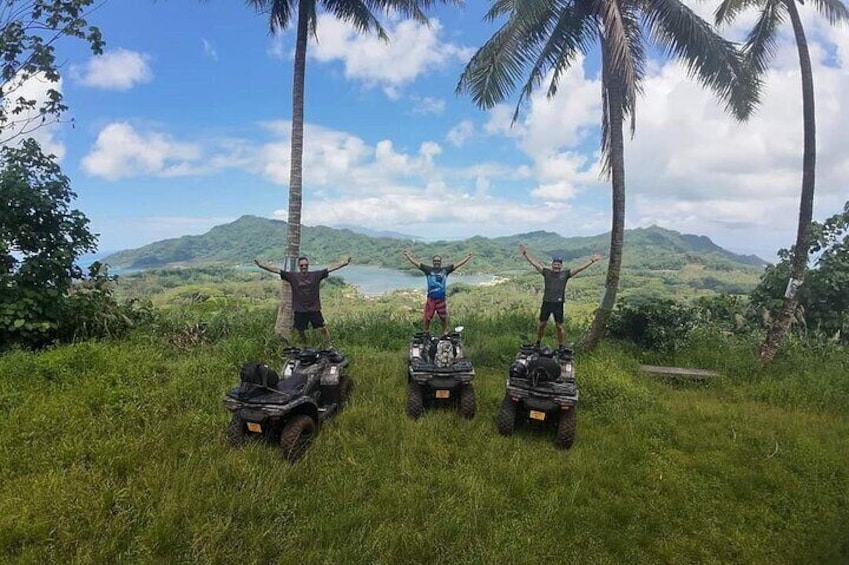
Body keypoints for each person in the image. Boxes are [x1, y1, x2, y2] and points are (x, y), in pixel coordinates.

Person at [254, 255, 352, 347]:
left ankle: (329, 345)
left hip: (314, 308)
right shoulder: (293, 276)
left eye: (306, 265)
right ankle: (306, 345)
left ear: (308, 265)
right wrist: (261, 265)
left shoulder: (315, 275)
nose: (304, 267)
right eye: (302, 265)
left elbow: (330, 268)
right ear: (299, 266)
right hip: (300, 309)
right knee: (300, 330)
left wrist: (344, 263)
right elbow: (276, 270)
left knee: (322, 328)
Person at [519, 244, 602, 349]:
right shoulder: (546, 273)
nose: (557, 266)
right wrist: (525, 254)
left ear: (561, 266)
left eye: (559, 264)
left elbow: (579, 268)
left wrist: (592, 260)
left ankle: (561, 346)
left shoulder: (565, 274)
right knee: (541, 325)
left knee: (559, 326)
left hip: (558, 304)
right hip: (547, 302)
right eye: (555, 264)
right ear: (552, 265)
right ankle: (538, 343)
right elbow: (535, 264)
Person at [402, 250, 473, 335]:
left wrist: (467, 258)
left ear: (440, 262)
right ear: (433, 262)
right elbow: (416, 263)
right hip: (431, 299)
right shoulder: (428, 270)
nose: (436, 262)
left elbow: (457, 264)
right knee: (427, 317)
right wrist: (408, 256)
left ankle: (445, 332)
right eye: (435, 261)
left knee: (443, 317)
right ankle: (425, 332)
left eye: (438, 261)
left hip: (441, 299)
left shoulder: (445, 270)